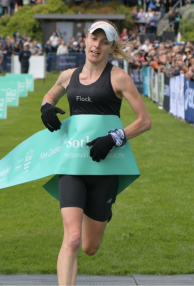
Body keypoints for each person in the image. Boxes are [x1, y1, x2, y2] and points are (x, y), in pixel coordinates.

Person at [40, 21, 151, 286]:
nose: (97, 45)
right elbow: (51, 94)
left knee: (90, 246)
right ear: (86, 39)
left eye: (104, 41)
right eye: (94, 38)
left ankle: (102, 210)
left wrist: (115, 137)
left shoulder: (118, 78)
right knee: (73, 239)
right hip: (72, 166)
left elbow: (144, 121)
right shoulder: (68, 75)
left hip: (104, 167)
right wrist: (46, 107)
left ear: (111, 47)